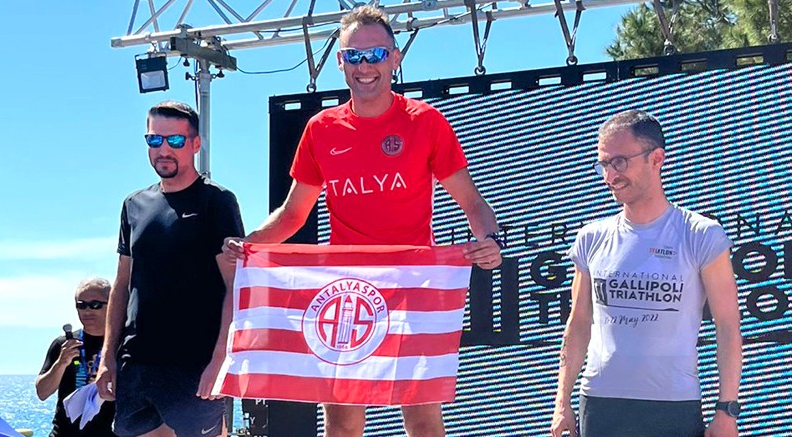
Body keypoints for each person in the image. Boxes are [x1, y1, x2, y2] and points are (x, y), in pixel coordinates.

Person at [203, 6, 502, 437]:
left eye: (375, 54)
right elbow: (294, 214)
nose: (365, 67)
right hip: (346, 289)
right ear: (341, 63)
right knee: (341, 420)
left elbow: (473, 202)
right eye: (354, 56)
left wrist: (490, 239)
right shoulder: (321, 128)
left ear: (395, 58)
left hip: (411, 287)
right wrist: (248, 246)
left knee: (422, 416)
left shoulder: (426, 122)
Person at [549, 110, 743, 437]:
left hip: (672, 405)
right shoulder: (591, 237)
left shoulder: (700, 234)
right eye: (604, 164)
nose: (610, 176)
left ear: (656, 159)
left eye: (619, 162)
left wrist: (727, 410)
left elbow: (727, 325)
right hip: (600, 404)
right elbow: (578, 323)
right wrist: (561, 403)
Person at [95, 100, 244, 437]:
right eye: (154, 140)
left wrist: (221, 359)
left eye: (175, 140)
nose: (164, 150)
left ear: (195, 144)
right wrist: (107, 357)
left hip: (195, 366)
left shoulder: (216, 202)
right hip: (137, 364)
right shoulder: (133, 205)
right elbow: (122, 285)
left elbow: (235, 286)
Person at [36, 277, 117, 437]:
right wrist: (61, 363)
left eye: (95, 305)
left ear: (111, 305)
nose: (87, 311)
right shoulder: (63, 344)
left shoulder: (122, 344)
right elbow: (42, 393)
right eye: (81, 305)